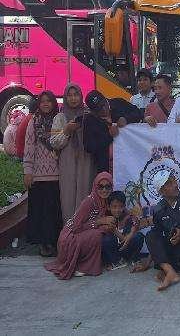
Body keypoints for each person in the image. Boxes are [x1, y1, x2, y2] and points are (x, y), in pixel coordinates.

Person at [45, 172, 115, 279]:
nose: (104, 190)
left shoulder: (105, 201)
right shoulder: (89, 201)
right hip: (70, 237)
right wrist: (99, 222)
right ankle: (82, 266)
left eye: (107, 186)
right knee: (97, 234)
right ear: (95, 187)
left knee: (104, 230)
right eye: (100, 187)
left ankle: (89, 264)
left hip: (82, 232)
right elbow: (76, 227)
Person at [23, 90, 62, 257]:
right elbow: (29, 147)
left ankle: (54, 242)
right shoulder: (34, 122)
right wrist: (27, 171)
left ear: (54, 103)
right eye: (42, 101)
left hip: (57, 175)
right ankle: (43, 244)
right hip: (38, 176)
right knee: (40, 211)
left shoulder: (59, 120)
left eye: (49, 101)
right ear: (38, 104)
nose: (46, 104)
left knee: (53, 212)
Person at [50, 83, 95, 222]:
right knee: (68, 198)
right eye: (69, 95)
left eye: (76, 95)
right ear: (65, 97)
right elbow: (54, 142)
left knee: (85, 194)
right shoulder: (60, 117)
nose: (73, 98)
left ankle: (85, 231)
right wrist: (67, 130)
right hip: (67, 161)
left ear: (81, 96)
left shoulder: (88, 115)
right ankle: (69, 232)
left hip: (86, 161)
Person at [101, 191, 144, 269]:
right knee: (106, 239)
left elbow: (125, 240)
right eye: (114, 207)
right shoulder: (106, 218)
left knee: (139, 236)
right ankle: (116, 261)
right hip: (113, 251)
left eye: (120, 207)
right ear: (108, 207)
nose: (117, 210)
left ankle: (134, 259)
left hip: (125, 248)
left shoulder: (128, 218)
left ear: (124, 206)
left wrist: (115, 231)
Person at [83, 91, 119, 174]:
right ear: (93, 111)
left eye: (104, 105)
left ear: (106, 99)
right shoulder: (89, 121)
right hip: (105, 168)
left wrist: (125, 119)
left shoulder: (118, 104)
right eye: (99, 109)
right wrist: (108, 136)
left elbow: (136, 114)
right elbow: (89, 147)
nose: (103, 109)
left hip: (125, 164)